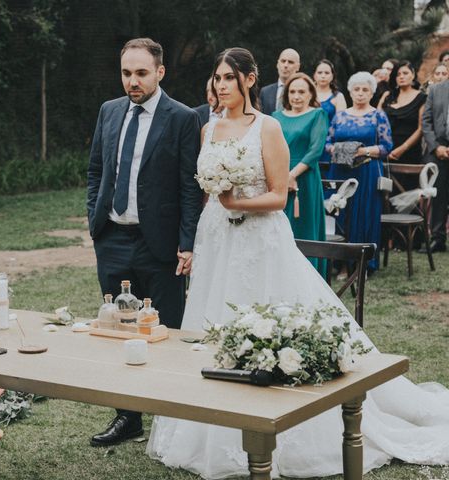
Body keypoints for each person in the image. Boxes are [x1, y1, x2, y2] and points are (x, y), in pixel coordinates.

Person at [147, 47, 449, 480]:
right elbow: (204, 190)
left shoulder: (267, 128)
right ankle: (207, 427)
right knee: (211, 321)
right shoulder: (208, 128)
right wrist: (214, 208)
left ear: (250, 80)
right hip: (216, 235)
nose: (220, 86)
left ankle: (276, 420)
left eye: (228, 78)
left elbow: (278, 195)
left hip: (258, 239)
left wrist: (237, 200)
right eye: (217, 78)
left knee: (262, 318)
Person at [87, 38, 202, 447]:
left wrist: (187, 243)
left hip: (161, 244)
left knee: (164, 330)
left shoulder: (182, 118)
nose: (132, 81)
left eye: (140, 73)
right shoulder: (109, 111)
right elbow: (96, 171)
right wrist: (94, 222)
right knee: (119, 328)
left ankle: (171, 420)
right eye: (126, 73)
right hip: (113, 238)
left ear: (160, 72)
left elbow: (191, 187)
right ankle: (127, 417)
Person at [326, 72, 393, 272]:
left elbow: (386, 146)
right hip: (340, 170)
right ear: (350, 92)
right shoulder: (340, 115)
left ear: (372, 92)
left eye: (365, 90)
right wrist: (342, 150)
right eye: (357, 89)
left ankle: (362, 263)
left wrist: (361, 151)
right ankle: (338, 262)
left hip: (367, 171)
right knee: (340, 213)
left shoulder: (378, 115)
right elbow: (327, 143)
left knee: (364, 214)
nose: (361, 93)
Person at [273, 73, 328, 277]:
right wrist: (281, 175)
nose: (296, 96)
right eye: (293, 91)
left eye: (301, 92)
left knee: (303, 229)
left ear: (310, 93)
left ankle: (309, 279)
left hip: (304, 179)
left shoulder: (317, 115)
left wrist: (292, 174)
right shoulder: (275, 116)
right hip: (277, 177)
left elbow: (316, 149)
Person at [378, 61, 426, 190]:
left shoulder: (422, 98)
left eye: (405, 73)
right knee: (383, 193)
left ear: (413, 75)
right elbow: (377, 122)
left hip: (409, 152)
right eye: (398, 74)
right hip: (385, 151)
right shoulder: (387, 96)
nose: (401, 76)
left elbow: (421, 128)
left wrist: (402, 148)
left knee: (406, 193)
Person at [421, 77, 449, 253]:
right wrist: (436, 146)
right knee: (438, 195)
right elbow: (426, 121)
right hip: (440, 149)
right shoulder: (436, 89)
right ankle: (437, 238)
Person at [259, 48, 300, 115]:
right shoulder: (265, 92)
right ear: (277, 64)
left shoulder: (303, 92)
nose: (285, 65)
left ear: (298, 66)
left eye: (290, 62)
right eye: (283, 61)